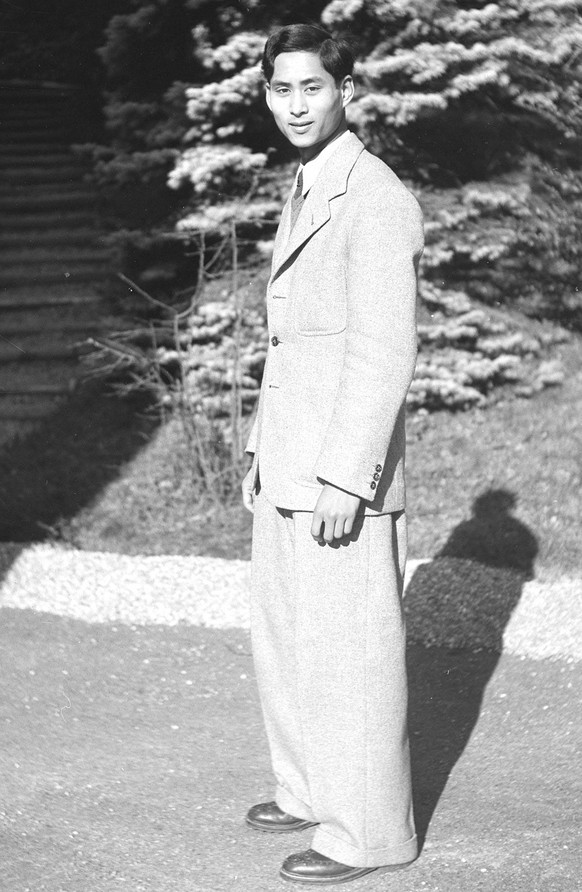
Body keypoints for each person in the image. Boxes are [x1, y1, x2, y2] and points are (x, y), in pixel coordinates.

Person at [241, 23, 424, 885]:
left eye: (312, 87)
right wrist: (258, 445)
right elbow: (292, 340)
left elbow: (383, 352)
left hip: (337, 474)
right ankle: (311, 791)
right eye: (281, 90)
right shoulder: (309, 182)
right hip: (289, 458)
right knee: (288, 640)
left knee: (352, 653)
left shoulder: (375, 195)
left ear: (346, 90)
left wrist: (349, 476)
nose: (296, 105)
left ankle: (369, 835)